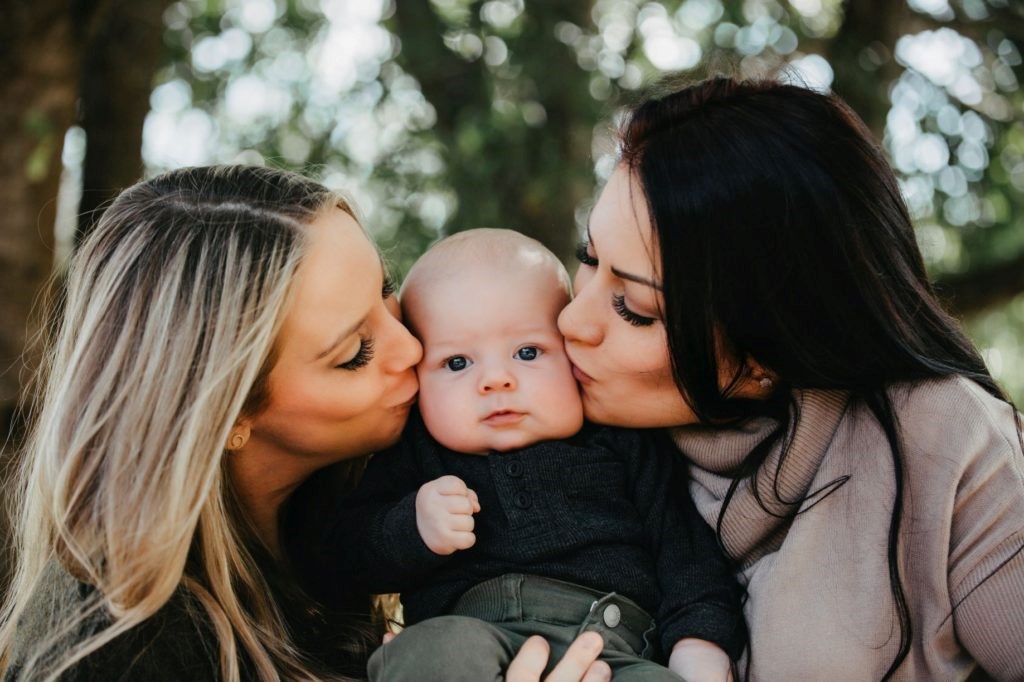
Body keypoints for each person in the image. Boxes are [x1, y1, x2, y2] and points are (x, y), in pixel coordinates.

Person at [0, 166, 611, 682]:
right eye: (355, 353)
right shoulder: (120, 648)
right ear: (229, 413)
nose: (412, 349)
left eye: (387, 292)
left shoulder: (353, 516)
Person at [556, 76, 1024, 680]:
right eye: (588, 259)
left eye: (635, 309)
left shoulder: (942, 439)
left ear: (765, 356)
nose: (572, 321)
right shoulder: (536, 427)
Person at [314, 229, 745, 681]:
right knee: (431, 654)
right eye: (458, 363)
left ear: (573, 356)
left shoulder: (622, 440)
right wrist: (412, 528)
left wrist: (700, 645)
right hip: (470, 636)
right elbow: (345, 555)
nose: (496, 379)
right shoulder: (416, 454)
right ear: (419, 379)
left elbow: (686, 555)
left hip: (615, 651)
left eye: (527, 352)